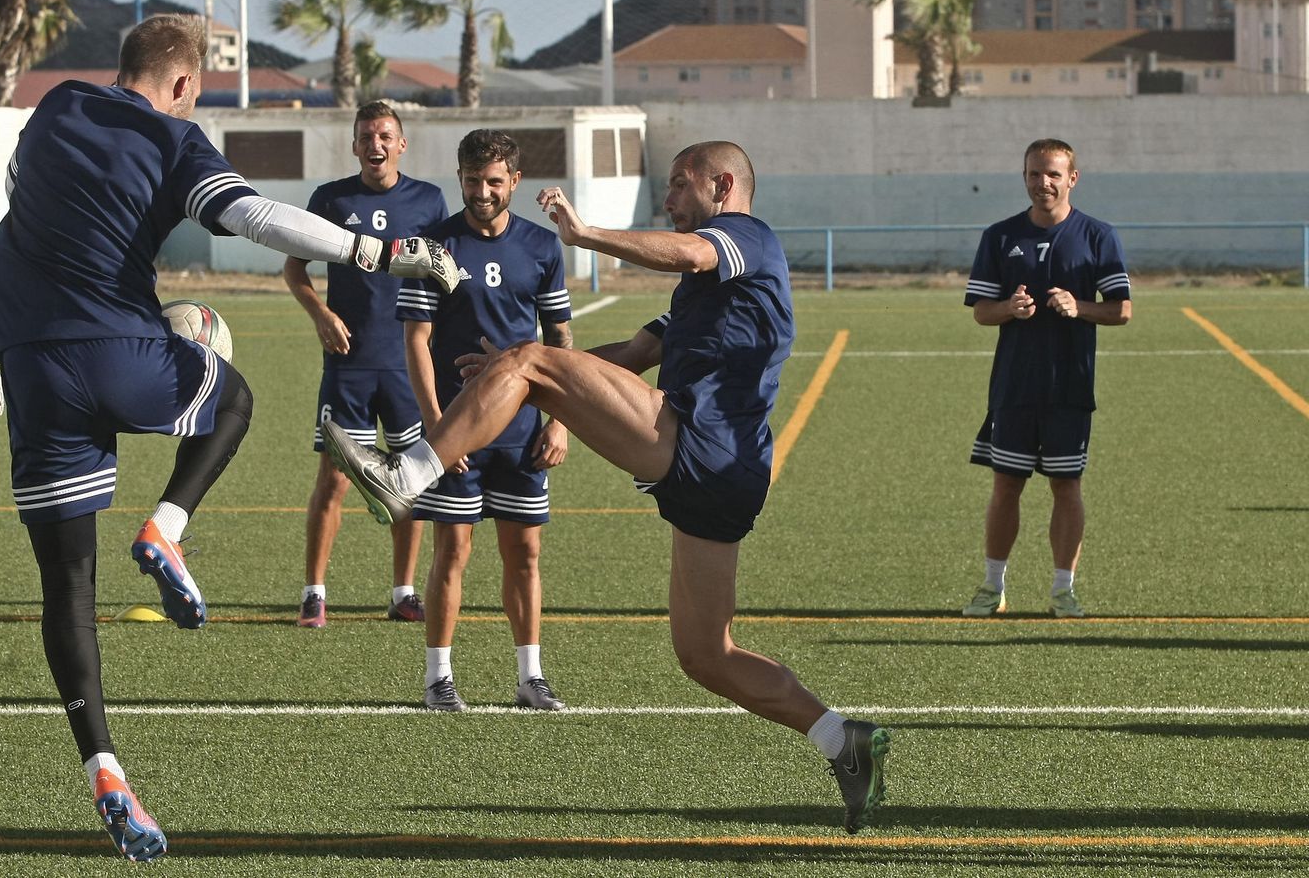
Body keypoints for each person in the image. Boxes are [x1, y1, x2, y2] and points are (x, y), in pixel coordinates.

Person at [0, 14, 457, 862]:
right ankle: (167, 523)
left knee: (69, 588)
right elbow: (259, 219)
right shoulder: (178, 140)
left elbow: (12, 222)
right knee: (230, 396)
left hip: (31, 366)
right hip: (117, 351)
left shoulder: (55, 107)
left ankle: (105, 769)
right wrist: (373, 254)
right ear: (187, 83)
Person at [323, 140, 891, 833]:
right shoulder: (709, 289)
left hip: (700, 442)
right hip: (725, 473)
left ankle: (406, 473)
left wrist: (585, 235)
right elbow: (632, 354)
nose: (671, 198)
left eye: (681, 185)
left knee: (533, 360)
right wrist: (514, 371)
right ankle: (844, 739)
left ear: (721, 184)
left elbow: (686, 253)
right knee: (706, 653)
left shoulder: (747, 238)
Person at [397, 129, 572, 713]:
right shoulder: (434, 246)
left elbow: (560, 344)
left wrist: (559, 421)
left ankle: (530, 677)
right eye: (472, 181)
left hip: (524, 431)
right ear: (461, 178)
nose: (482, 192)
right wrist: (440, 429)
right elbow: (417, 341)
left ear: (514, 183)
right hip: (459, 433)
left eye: (494, 182)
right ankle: (438, 679)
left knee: (525, 554)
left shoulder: (543, 249)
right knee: (453, 551)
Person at [284, 101, 448, 628]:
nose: (375, 145)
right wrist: (322, 315)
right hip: (348, 364)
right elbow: (295, 270)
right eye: (365, 137)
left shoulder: (429, 201)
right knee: (333, 480)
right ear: (355, 146)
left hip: (407, 368)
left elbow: (445, 274)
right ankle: (314, 593)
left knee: (410, 481)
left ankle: (403, 591)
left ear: (401, 144)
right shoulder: (330, 199)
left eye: (384, 136)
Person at [961, 138, 1132, 619]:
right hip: (1013, 387)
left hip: (1070, 388)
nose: (1044, 183)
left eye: (1054, 174)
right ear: (1025, 178)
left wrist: (1081, 307)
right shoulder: (999, 235)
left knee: (1066, 487)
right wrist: (1008, 309)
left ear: (1072, 178)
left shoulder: (1098, 235)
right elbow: (981, 313)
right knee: (1005, 487)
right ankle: (992, 587)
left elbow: (1122, 310)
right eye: (1035, 174)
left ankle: (1063, 590)